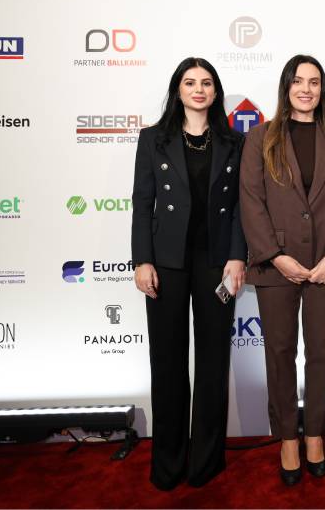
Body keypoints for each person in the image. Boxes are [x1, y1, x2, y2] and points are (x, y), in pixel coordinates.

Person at [240, 55, 325, 486]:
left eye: (314, 82)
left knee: (320, 353)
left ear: (321, 90)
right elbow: (251, 200)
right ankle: (288, 438)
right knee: (279, 353)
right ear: (286, 87)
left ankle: (314, 435)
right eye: (298, 81)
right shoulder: (261, 137)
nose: (306, 89)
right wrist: (274, 256)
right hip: (276, 266)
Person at [131, 57, 247, 490]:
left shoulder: (235, 142)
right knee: (167, 362)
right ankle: (168, 463)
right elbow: (142, 203)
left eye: (207, 83)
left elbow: (241, 207)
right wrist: (142, 260)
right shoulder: (153, 139)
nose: (199, 89)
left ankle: (206, 462)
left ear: (215, 92)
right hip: (166, 262)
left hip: (217, 263)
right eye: (190, 82)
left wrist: (237, 256)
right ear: (177, 90)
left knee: (213, 363)